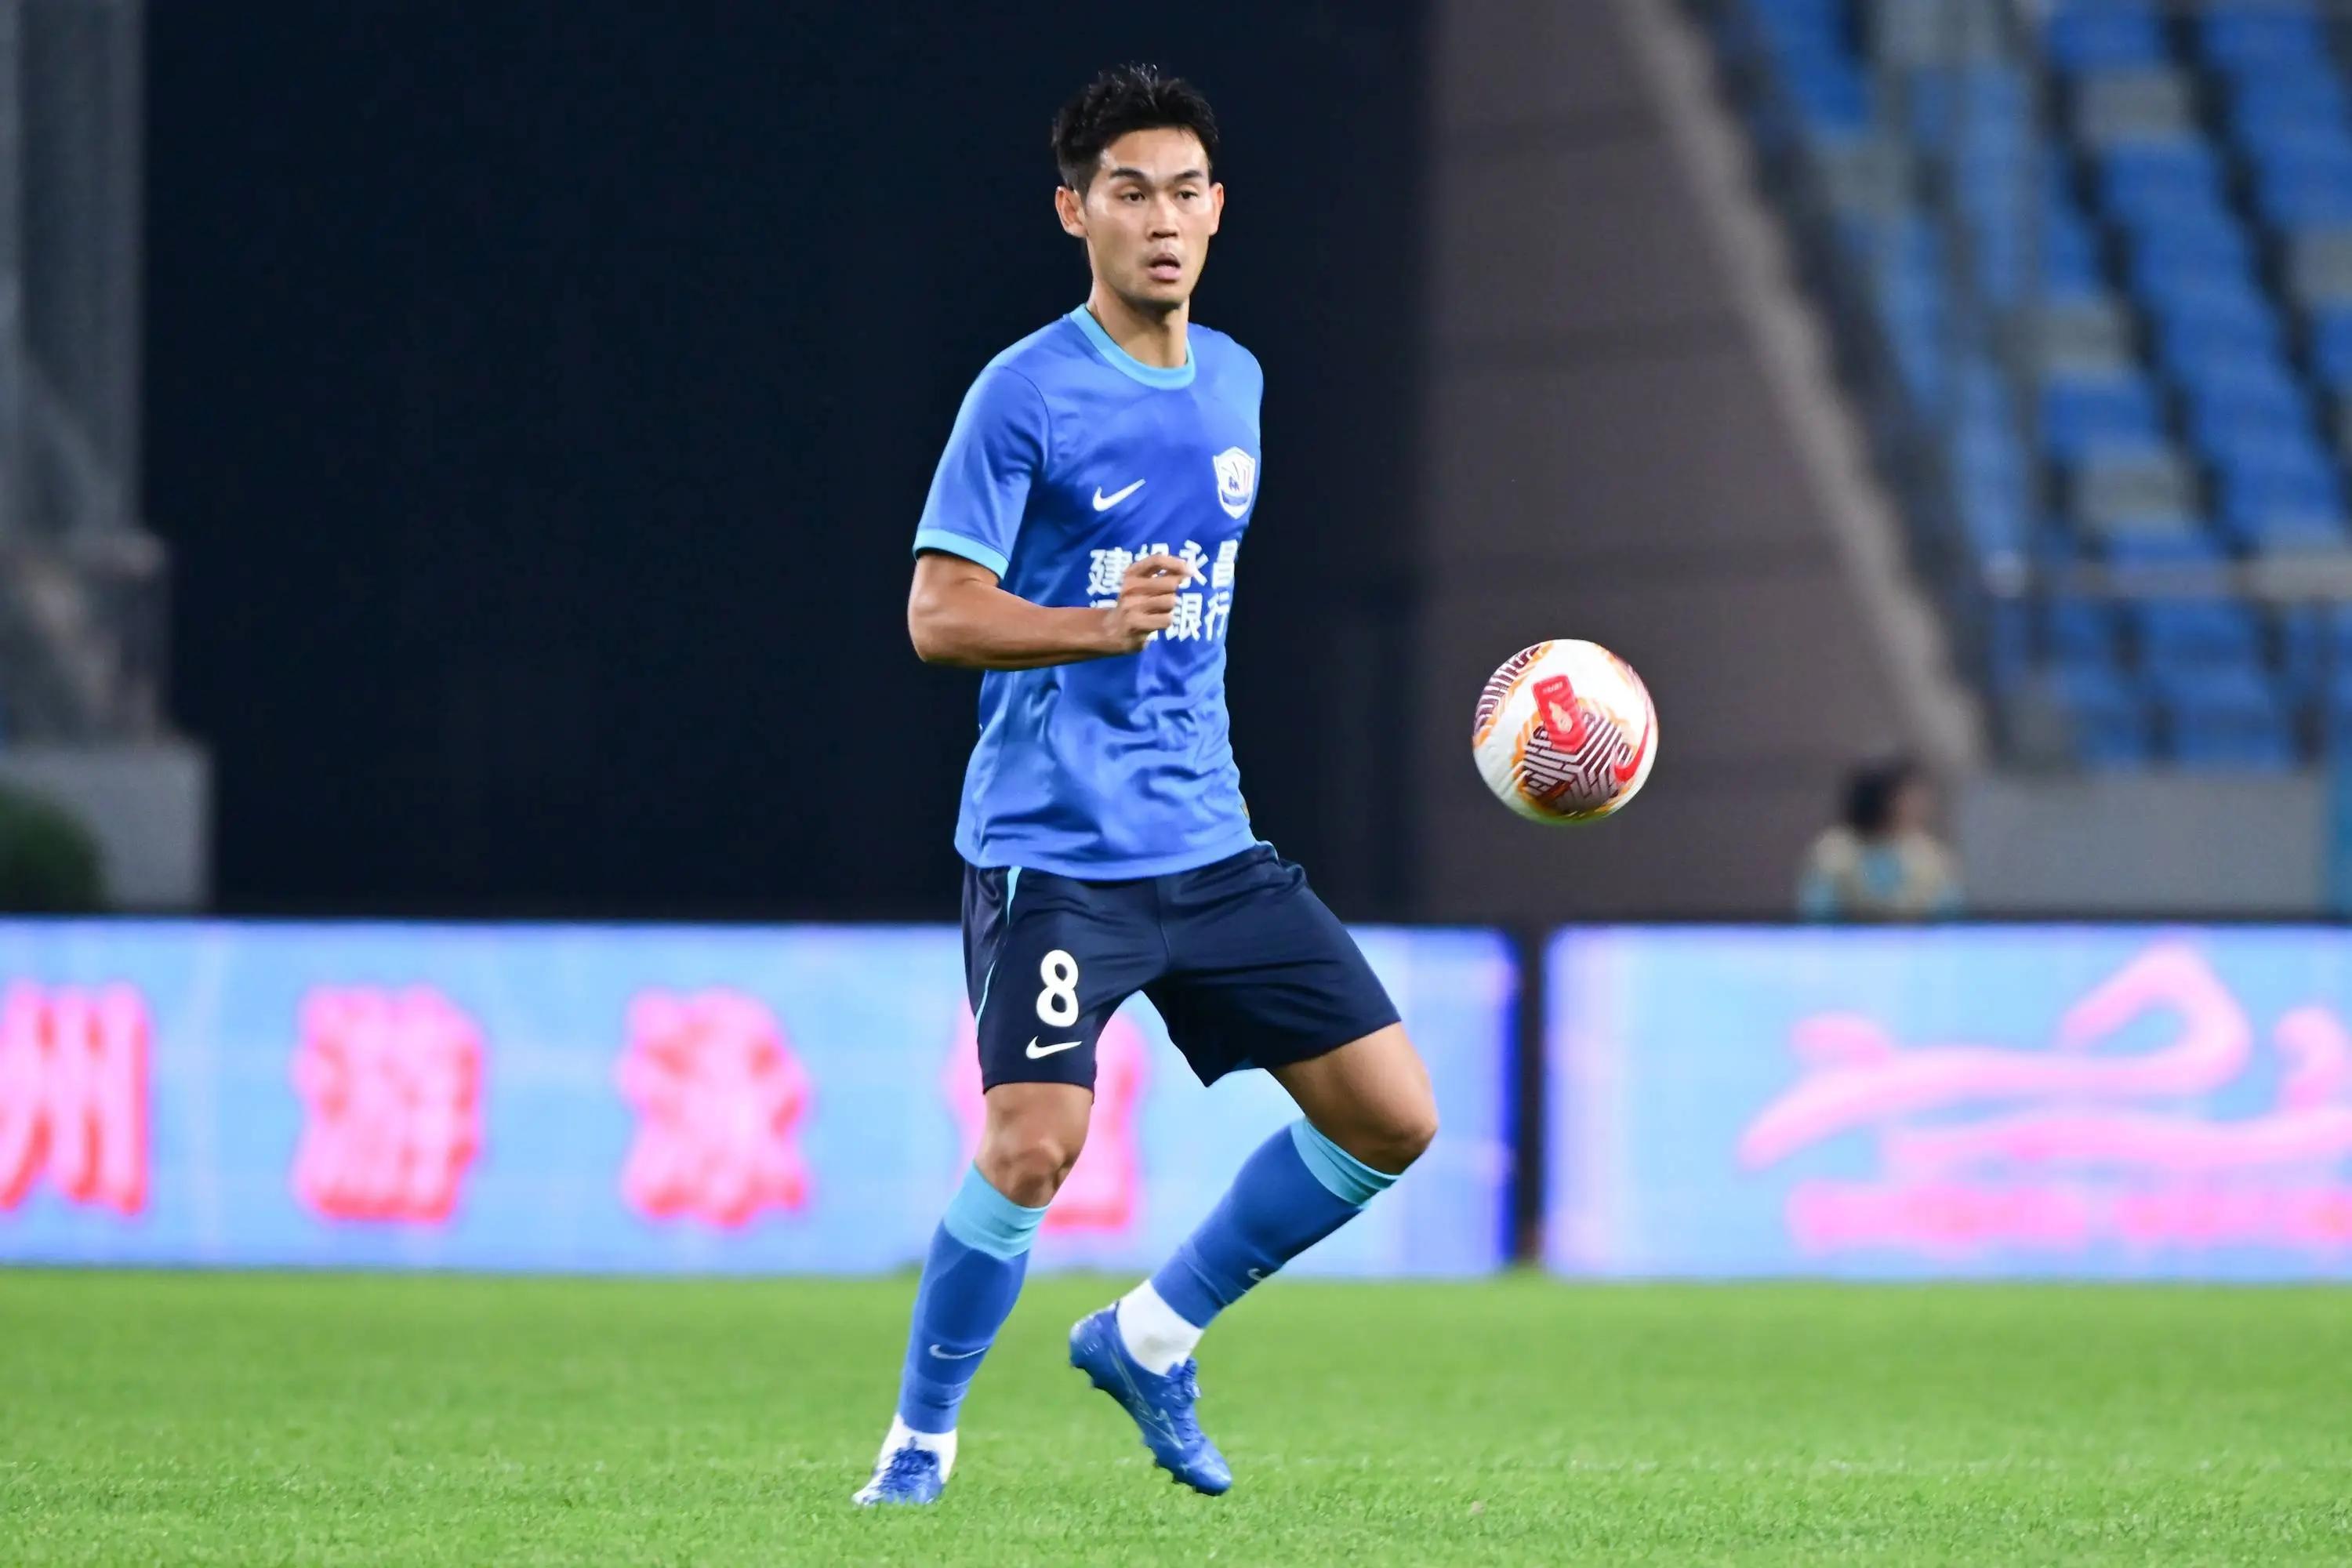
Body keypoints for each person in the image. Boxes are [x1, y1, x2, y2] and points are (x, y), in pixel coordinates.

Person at [855, 64, 1438, 1506]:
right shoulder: (1023, 394)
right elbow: (936, 613)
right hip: (1055, 851)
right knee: (1031, 1149)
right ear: (1075, 212)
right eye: (1129, 193)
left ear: (1218, 208)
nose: (1162, 221)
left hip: (1211, 843)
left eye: (1185, 192)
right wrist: (1089, 625)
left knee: (1391, 1116)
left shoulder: (1237, 380)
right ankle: (919, 1445)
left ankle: (1151, 1336)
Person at [1795, 754, 1962, 920]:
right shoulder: (1836, 855)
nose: (1921, 804)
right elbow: (1816, 918)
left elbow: (1950, 918)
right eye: (1908, 796)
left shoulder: (1932, 859)